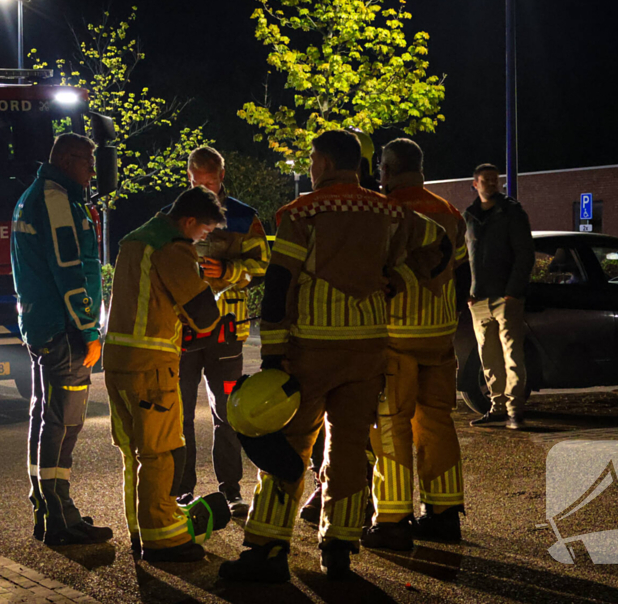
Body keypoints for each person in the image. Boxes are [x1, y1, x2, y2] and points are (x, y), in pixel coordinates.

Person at [219, 130, 450, 582]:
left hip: (312, 352)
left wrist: (274, 354)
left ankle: (268, 548)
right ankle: (340, 545)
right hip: (367, 352)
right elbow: (440, 245)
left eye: (311, 159)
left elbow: (279, 286)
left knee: (286, 446)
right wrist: (400, 278)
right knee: (347, 449)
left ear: (322, 162)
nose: (309, 166)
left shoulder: (302, 213)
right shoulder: (388, 211)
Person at [103, 186, 228, 563]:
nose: (202, 240)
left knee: (134, 455)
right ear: (188, 221)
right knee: (161, 453)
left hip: (118, 362)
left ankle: (140, 532)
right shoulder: (171, 247)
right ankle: (164, 541)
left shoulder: (133, 242)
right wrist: (217, 297)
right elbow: (202, 313)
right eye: (203, 232)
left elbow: (149, 301)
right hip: (151, 368)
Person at [363, 138, 470, 551]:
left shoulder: (386, 212)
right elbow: (461, 273)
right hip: (439, 337)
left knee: (390, 427)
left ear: (387, 171)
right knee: (437, 424)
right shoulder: (448, 211)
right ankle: (444, 515)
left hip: (395, 337)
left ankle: (391, 519)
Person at [10, 133, 112, 546]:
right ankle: (59, 517)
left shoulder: (34, 196)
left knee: (44, 421)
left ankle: (48, 508)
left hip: (43, 326)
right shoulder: (55, 201)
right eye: (89, 163)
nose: (92, 172)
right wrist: (90, 331)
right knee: (63, 425)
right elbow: (71, 271)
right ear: (70, 160)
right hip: (65, 331)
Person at [170, 147, 270, 516]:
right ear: (188, 178)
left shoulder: (244, 217)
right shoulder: (172, 218)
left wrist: (227, 273)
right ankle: (181, 491)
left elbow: (261, 266)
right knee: (178, 417)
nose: (204, 189)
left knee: (227, 414)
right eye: (197, 183)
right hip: (181, 333)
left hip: (226, 332)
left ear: (221, 177)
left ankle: (231, 491)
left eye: (210, 183)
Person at [463, 163, 535, 430]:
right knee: (489, 359)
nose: (492, 184)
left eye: (495, 180)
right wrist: (468, 295)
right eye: (486, 180)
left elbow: (525, 253)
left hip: (506, 299)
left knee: (512, 356)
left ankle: (515, 412)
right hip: (478, 299)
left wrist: (513, 292)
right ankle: (497, 408)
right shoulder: (469, 216)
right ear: (475, 184)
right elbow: (463, 257)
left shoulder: (511, 212)